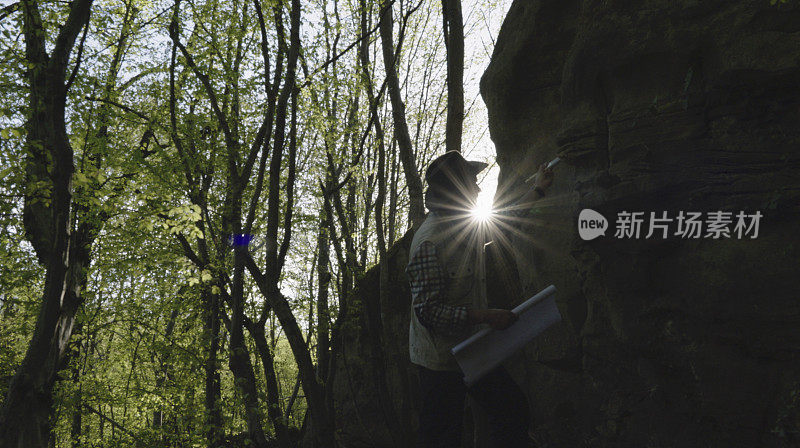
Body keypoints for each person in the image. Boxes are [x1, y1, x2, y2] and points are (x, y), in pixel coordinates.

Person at [406, 150, 554, 447]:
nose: (478, 188)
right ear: (456, 188)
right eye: (472, 181)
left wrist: (538, 189)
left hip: (472, 350)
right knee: (441, 437)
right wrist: (487, 316)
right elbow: (429, 313)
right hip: (440, 362)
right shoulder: (430, 242)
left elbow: (504, 221)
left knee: (511, 410)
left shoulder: (465, 223)